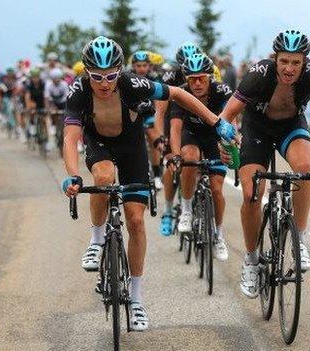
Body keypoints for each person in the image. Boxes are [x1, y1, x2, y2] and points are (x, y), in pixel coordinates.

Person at [61, 36, 233, 331]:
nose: (104, 83)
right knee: (102, 177)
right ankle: (96, 239)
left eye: (111, 76)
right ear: (87, 73)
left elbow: (178, 94)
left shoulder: (132, 84)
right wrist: (73, 174)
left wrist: (216, 122)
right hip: (99, 144)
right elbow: (70, 136)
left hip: (131, 148)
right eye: (97, 77)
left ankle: (137, 300)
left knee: (136, 221)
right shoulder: (78, 91)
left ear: (120, 71)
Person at [217, 29, 310, 298]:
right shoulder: (259, 73)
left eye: (296, 62)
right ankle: (250, 261)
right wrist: (224, 145)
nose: (289, 68)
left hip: (290, 127)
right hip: (256, 129)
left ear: (304, 62)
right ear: (275, 58)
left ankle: (300, 237)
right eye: (284, 61)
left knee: (304, 167)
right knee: (251, 194)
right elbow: (225, 117)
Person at [169, 53, 232, 261]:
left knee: (216, 188)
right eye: (192, 79)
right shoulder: (181, 94)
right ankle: (186, 209)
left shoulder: (221, 92)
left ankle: (218, 234)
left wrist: (230, 146)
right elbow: (176, 127)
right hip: (191, 135)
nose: (197, 83)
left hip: (214, 137)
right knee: (190, 156)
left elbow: (231, 119)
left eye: (201, 78)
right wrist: (176, 155)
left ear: (209, 78)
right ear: (186, 80)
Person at [155, 41, 203, 236]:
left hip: (200, 120)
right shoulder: (170, 77)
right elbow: (160, 110)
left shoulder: (205, 69)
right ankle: (167, 210)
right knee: (171, 163)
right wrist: (160, 136)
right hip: (173, 118)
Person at [129, 50, 165, 190]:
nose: (142, 68)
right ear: (133, 66)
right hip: (133, 114)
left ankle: (156, 175)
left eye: (144, 65)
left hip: (150, 114)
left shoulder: (155, 78)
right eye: (139, 65)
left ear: (149, 66)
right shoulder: (128, 77)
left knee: (153, 140)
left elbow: (159, 104)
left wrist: (156, 121)